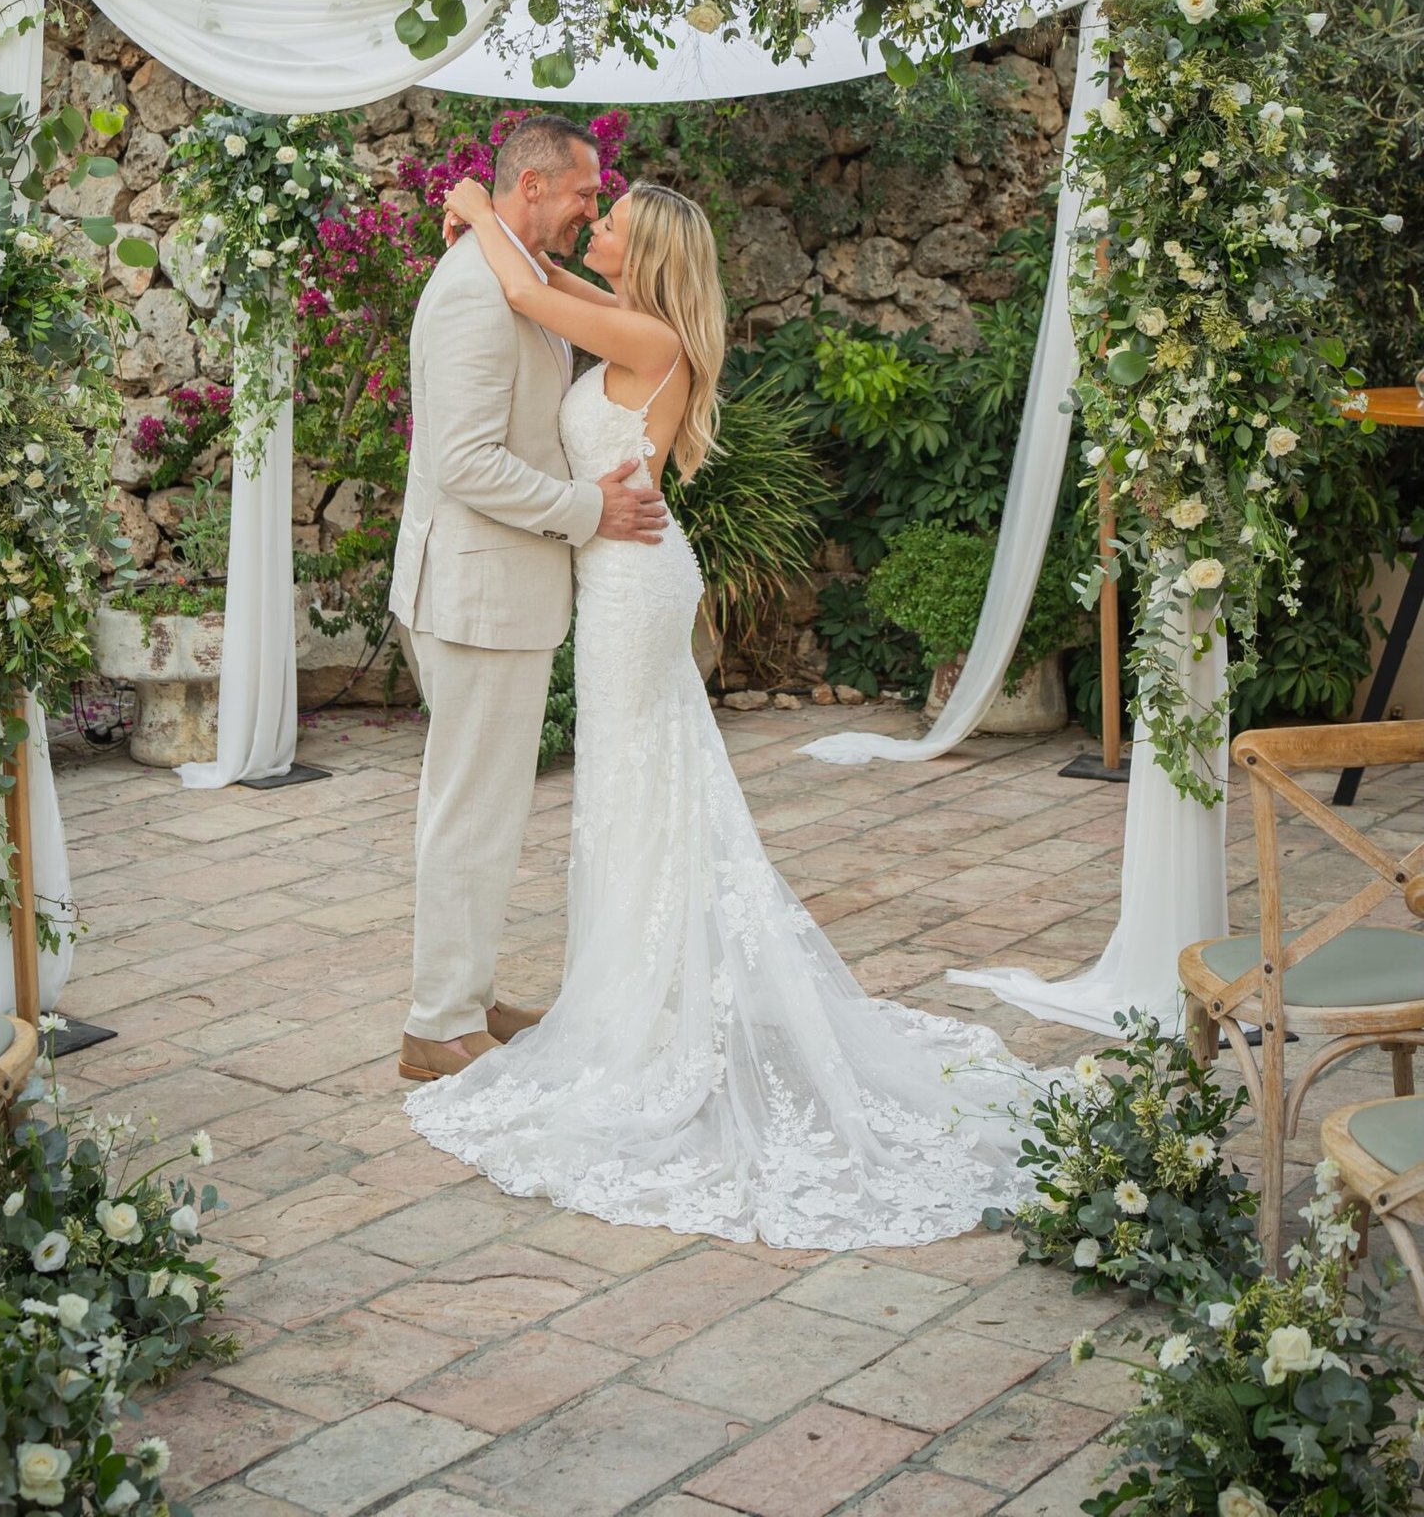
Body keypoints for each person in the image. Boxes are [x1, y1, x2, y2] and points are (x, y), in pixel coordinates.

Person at [403, 160, 1040, 1250]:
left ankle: (640, 1002)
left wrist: (473, 210)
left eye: (609, 223)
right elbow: (537, 277)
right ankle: (626, 991)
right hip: (614, 573)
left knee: (639, 780)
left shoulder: (648, 343)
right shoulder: (632, 321)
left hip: (629, 584)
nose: (591, 228)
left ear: (641, 254)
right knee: (632, 781)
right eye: (588, 209)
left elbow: (524, 291)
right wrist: (494, 219)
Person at [390, 114, 669, 1085]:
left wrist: (475, 212)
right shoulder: (475, 290)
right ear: (536, 187)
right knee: (469, 809)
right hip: (474, 590)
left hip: (495, 587)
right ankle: (435, 1023)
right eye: (586, 194)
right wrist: (587, 510)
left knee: (486, 806)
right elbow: (464, 461)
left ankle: (464, 998)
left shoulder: (507, 269)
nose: (594, 206)